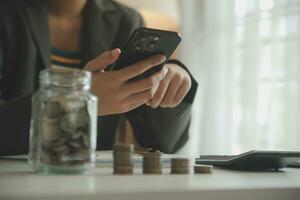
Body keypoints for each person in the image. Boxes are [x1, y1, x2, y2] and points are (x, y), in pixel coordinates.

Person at [0, 0, 198, 155]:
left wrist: (172, 82)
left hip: (91, 182)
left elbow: (160, 143)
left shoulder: (125, 20)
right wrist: (78, 100)